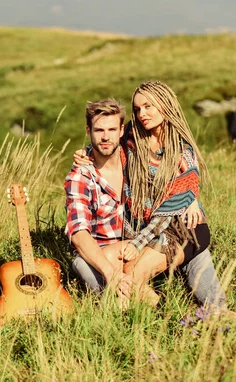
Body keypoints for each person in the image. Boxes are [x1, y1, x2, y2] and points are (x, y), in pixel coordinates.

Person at [69, 83, 227, 309]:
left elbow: (175, 202)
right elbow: (107, 139)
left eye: (148, 106)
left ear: (165, 104)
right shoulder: (134, 137)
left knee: (139, 271)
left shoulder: (181, 151)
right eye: (138, 108)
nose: (142, 114)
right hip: (147, 227)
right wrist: (85, 153)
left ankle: (173, 313)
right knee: (106, 264)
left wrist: (139, 241)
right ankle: (168, 306)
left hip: (181, 227)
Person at [65, 98, 183, 307]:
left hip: (138, 243)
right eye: (99, 130)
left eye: (111, 129)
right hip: (101, 254)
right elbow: (78, 233)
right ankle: (163, 311)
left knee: (191, 243)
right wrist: (111, 273)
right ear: (88, 131)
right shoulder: (80, 177)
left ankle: (212, 305)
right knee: (89, 271)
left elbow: (178, 159)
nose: (105, 137)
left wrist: (191, 199)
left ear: (121, 131)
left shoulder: (135, 161)